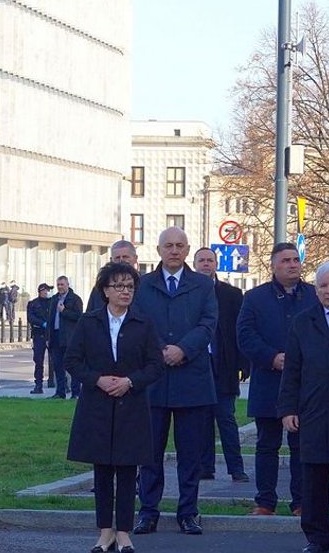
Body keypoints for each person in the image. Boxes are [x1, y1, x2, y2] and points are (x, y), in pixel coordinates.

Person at [66, 262, 164, 553]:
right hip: (97, 407)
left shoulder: (143, 324)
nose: (125, 292)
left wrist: (130, 381)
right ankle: (104, 532)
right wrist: (97, 379)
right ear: (105, 291)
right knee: (102, 473)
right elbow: (72, 361)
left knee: (126, 471)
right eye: (119, 286)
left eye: (130, 287)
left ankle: (123, 532)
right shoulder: (89, 322)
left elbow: (155, 366)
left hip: (131, 407)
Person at [132, 227, 217, 536]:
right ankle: (148, 512)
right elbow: (137, 324)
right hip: (153, 381)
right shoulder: (142, 286)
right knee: (149, 453)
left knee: (190, 454)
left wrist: (183, 349)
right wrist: (160, 351)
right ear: (158, 250)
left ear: (187, 249)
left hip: (191, 379)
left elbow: (208, 324)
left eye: (180, 245)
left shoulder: (202, 285)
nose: (174, 250)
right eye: (168, 245)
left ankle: (188, 512)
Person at [237, 242, 318, 516]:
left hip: (305, 386)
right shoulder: (255, 297)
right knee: (267, 445)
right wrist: (272, 357)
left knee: (301, 446)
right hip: (268, 381)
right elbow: (245, 336)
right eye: (286, 260)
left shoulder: (313, 295)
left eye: (296, 260)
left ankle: (301, 503)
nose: (292, 264)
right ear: (273, 265)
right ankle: (265, 502)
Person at [279, 261, 329, 553]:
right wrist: (288, 409)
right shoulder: (302, 322)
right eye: (323, 286)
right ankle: (317, 539)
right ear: (316, 291)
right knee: (313, 481)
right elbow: (292, 371)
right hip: (313, 412)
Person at [193, 247, 249, 483]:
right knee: (202, 421)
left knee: (226, 419)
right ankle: (206, 468)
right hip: (196, 366)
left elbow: (240, 331)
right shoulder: (189, 292)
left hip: (223, 366)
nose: (206, 264)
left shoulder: (232, 295)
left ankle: (236, 468)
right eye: (202, 261)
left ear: (216, 264)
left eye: (210, 260)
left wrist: (243, 364)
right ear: (194, 264)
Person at [48, 275, 83, 399]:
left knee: (72, 366)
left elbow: (79, 317)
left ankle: (75, 393)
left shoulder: (75, 299)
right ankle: (60, 392)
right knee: (57, 366)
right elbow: (50, 319)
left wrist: (64, 311)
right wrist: (49, 337)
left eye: (62, 284)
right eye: (58, 285)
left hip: (69, 338)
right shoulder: (54, 299)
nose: (60, 287)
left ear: (68, 285)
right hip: (56, 336)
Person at [87, 240, 139, 312]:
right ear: (111, 260)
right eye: (117, 258)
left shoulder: (146, 286)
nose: (121, 260)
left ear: (135, 258)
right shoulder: (100, 289)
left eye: (125, 257)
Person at [27, 283, 52, 394]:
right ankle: (38, 385)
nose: (47, 293)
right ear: (41, 291)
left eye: (48, 291)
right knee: (38, 360)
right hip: (39, 334)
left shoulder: (52, 302)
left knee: (57, 360)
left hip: (51, 335)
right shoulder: (33, 304)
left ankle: (60, 384)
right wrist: (42, 323)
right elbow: (30, 317)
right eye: (45, 290)